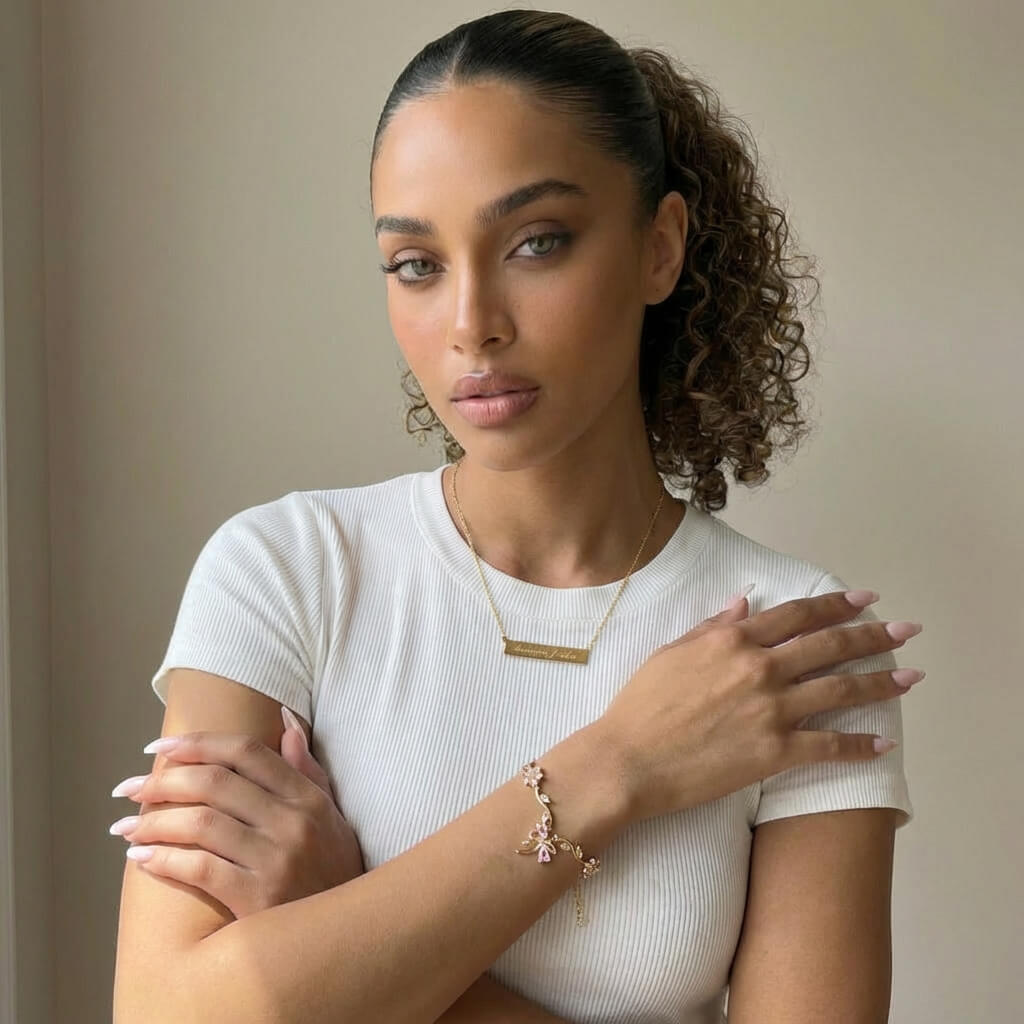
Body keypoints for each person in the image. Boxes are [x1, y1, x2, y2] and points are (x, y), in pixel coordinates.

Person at [111, 10, 922, 1023]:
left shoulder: (789, 656)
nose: (472, 324)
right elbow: (165, 1012)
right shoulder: (287, 571)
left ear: (659, 248)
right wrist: (616, 766)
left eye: (537, 243)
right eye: (418, 263)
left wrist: (346, 916)